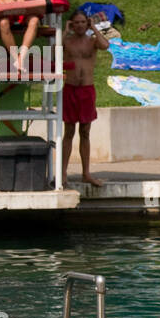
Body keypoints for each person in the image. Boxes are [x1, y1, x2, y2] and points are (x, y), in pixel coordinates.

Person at [61, 10, 110, 187]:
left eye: (83, 22)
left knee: (85, 132)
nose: (80, 25)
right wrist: (65, 31)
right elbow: (53, 51)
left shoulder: (92, 41)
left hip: (87, 90)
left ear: (87, 23)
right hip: (70, 89)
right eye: (77, 23)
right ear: (72, 24)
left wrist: (94, 28)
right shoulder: (67, 41)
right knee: (68, 132)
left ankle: (86, 173)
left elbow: (106, 45)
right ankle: (63, 172)